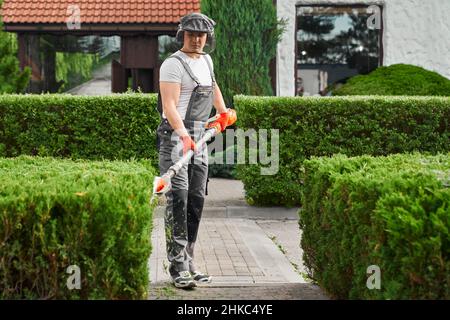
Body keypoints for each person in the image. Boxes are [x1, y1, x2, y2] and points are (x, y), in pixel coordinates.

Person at [157, 12, 236, 289]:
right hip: (175, 137)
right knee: (177, 198)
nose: (197, 39)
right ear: (182, 35)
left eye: (201, 35)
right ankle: (177, 267)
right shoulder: (172, 65)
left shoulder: (206, 60)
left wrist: (224, 113)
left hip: (200, 136)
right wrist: (183, 136)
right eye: (191, 34)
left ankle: (189, 260)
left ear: (207, 38)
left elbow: (213, 87)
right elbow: (169, 107)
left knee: (196, 199)